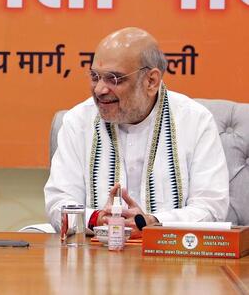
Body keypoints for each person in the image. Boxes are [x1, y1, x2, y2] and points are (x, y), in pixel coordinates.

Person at [44, 27, 229, 238]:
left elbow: (211, 208)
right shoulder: (78, 121)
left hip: (171, 261)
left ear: (151, 81)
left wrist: (153, 223)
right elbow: (59, 202)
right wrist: (97, 219)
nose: (99, 90)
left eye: (114, 79)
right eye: (95, 77)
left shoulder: (195, 121)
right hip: (95, 255)